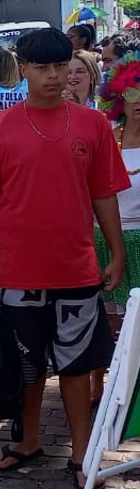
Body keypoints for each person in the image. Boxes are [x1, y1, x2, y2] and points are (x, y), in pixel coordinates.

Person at [0, 28, 129, 489]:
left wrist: (116, 253)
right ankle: (28, 441)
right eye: (42, 68)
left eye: (61, 66)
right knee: (27, 368)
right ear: (23, 68)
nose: (54, 76)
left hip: (78, 270)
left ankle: (82, 453)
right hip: (18, 273)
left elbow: (104, 194)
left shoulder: (92, 124)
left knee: (78, 368)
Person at [92, 52, 140, 404]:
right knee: (104, 321)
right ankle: (99, 384)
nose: (139, 102)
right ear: (119, 98)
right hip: (103, 239)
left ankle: (130, 391)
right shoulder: (106, 135)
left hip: (139, 239)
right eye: (133, 93)